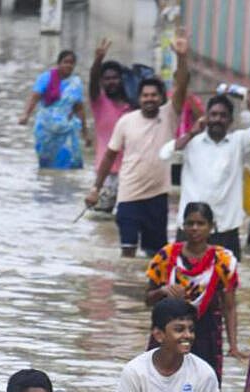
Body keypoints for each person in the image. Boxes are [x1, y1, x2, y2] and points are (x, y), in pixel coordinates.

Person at [85, 30, 190, 256]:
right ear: (139, 98)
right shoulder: (126, 121)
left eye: (154, 95)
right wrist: (95, 188)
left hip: (157, 197)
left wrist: (182, 58)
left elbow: (182, 87)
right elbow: (110, 155)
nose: (149, 99)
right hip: (128, 195)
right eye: (145, 95)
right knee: (128, 255)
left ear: (161, 98)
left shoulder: (169, 115)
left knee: (156, 255)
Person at [160, 90, 250, 258]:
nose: (217, 119)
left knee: (226, 281)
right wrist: (191, 133)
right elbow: (165, 154)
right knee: (183, 278)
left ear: (230, 121)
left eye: (223, 115)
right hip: (191, 228)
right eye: (213, 115)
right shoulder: (192, 142)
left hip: (225, 229)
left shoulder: (238, 142)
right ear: (206, 117)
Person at [144, 201, 244, 384]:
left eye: (201, 224)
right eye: (190, 223)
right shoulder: (166, 256)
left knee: (205, 388)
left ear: (211, 227)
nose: (195, 229)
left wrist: (234, 345)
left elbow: (229, 307)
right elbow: (148, 299)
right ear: (183, 226)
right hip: (167, 336)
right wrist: (163, 291)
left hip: (207, 335)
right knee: (157, 384)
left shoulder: (223, 260)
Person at [19, 50, 90, 170]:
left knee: (71, 163)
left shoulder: (76, 83)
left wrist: (85, 132)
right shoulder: (45, 78)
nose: (68, 65)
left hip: (67, 129)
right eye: (65, 62)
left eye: (72, 63)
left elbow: (79, 109)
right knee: (47, 166)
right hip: (46, 130)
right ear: (59, 63)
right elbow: (34, 98)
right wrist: (25, 115)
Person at [87, 38, 134, 211]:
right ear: (101, 82)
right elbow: (92, 82)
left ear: (122, 80)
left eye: (115, 78)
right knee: (101, 219)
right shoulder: (99, 102)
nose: (111, 82)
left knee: (125, 217)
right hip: (105, 173)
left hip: (130, 172)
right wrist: (97, 61)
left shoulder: (133, 107)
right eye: (106, 79)